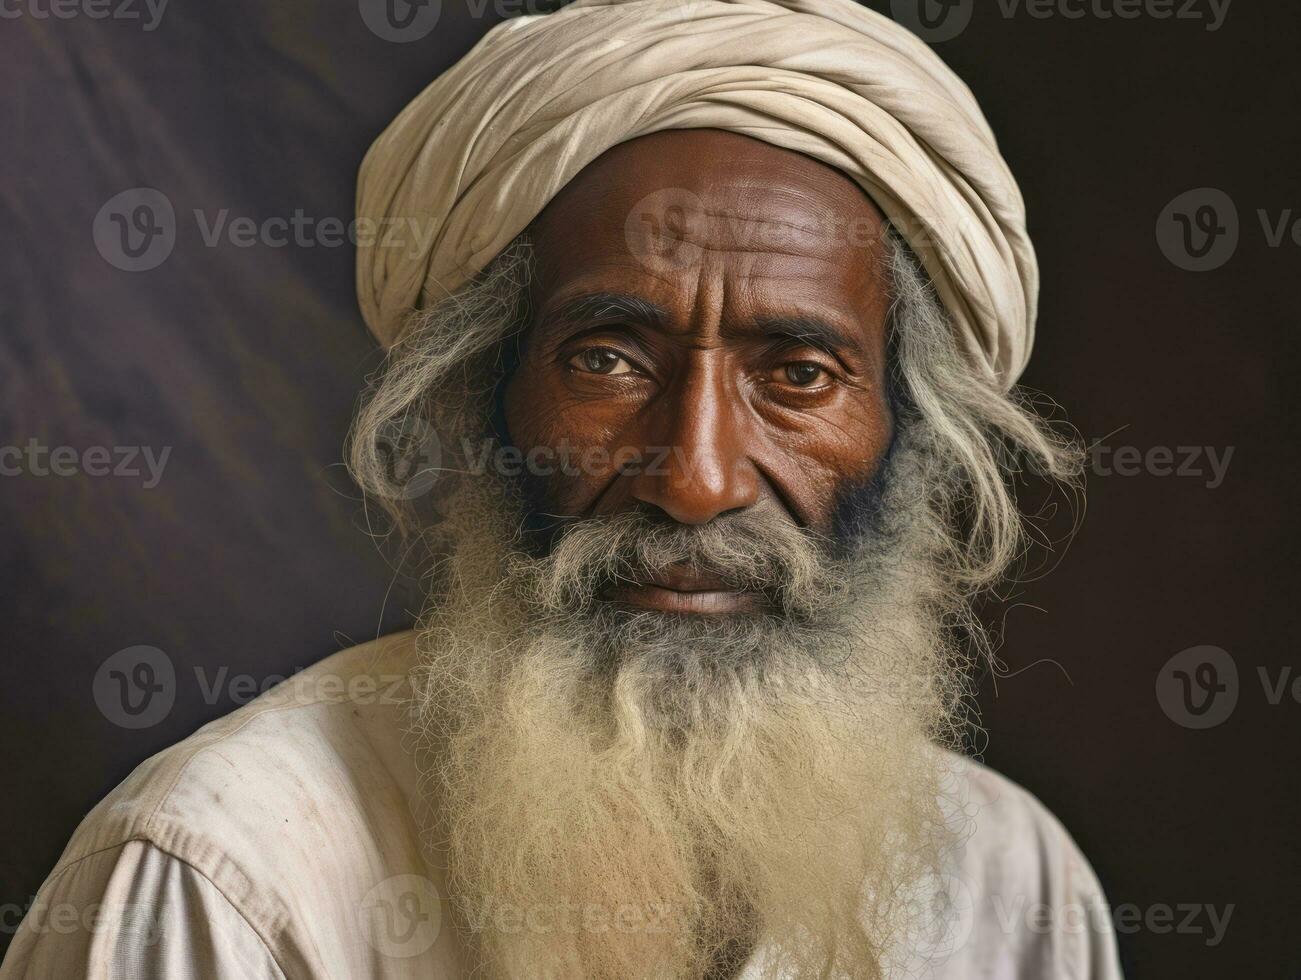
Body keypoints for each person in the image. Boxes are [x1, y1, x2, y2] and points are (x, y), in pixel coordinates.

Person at [1, 1, 1124, 976]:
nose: (694, 478)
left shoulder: (1011, 889)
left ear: (905, 435)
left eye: (796, 376)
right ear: (475, 396)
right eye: (606, 360)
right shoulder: (228, 873)